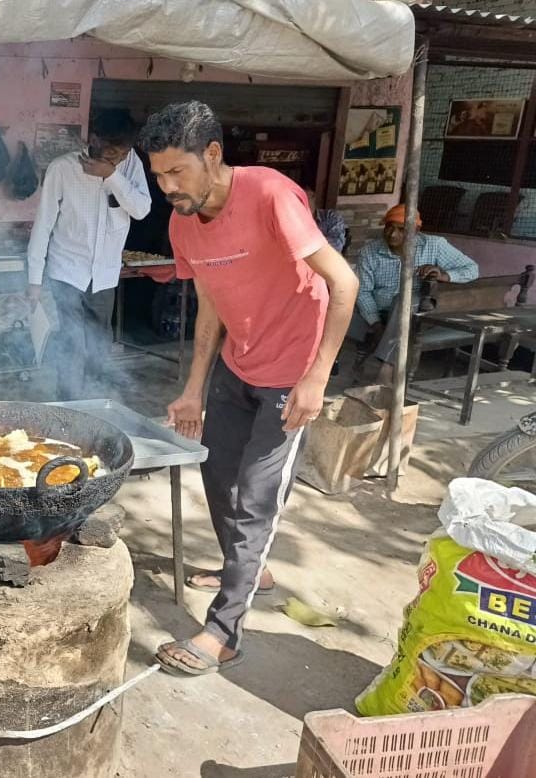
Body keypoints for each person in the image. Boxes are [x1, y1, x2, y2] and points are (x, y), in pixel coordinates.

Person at [138, 101, 358, 676]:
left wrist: (317, 378)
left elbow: (344, 282)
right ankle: (250, 569)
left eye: (176, 172)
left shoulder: (269, 195)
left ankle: (224, 629)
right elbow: (210, 302)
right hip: (238, 363)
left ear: (212, 155)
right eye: (158, 175)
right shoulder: (182, 221)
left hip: (291, 372)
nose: (167, 187)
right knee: (216, 472)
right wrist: (192, 387)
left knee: (258, 496)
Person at [27, 109, 151, 400]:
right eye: (111, 152)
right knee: (72, 343)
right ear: (93, 139)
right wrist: (34, 280)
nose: (116, 159)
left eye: (121, 154)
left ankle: (94, 402)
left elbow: (141, 210)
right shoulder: (62, 168)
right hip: (66, 271)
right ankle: (70, 406)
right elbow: (43, 224)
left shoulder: (130, 165)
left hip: (104, 276)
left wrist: (112, 177)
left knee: (98, 345)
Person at [356, 204, 478, 384]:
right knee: (398, 305)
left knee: (403, 300)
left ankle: (384, 369)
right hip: (382, 311)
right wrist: (375, 325)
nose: (393, 234)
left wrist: (443, 275)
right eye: (389, 227)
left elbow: (472, 269)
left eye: (401, 229)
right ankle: (386, 371)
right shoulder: (370, 252)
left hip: (418, 310)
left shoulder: (434, 245)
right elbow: (363, 291)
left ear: (416, 231)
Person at [305, 187, 348, 254]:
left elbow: (336, 246)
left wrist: (305, 246)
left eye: (307, 198)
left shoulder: (331, 217)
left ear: (314, 198)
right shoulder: (292, 221)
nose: (304, 203)